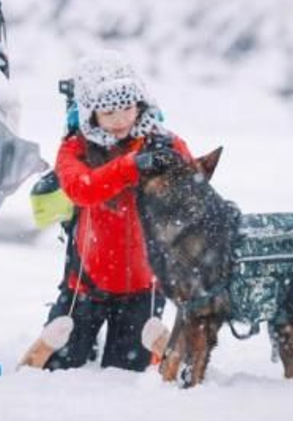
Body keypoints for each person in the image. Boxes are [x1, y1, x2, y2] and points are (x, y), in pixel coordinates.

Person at [41, 50, 193, 371]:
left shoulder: (164, 142)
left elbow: (195, 194)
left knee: (124, 378)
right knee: (59, 369)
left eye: (128, 107)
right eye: (109, 112)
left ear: (141, 103)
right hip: (85, 286)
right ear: (90, 114)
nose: (122, 119)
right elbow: (82, 189)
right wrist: (131, 166)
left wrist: (181, 175)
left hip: (144, 289)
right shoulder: (75, 146)